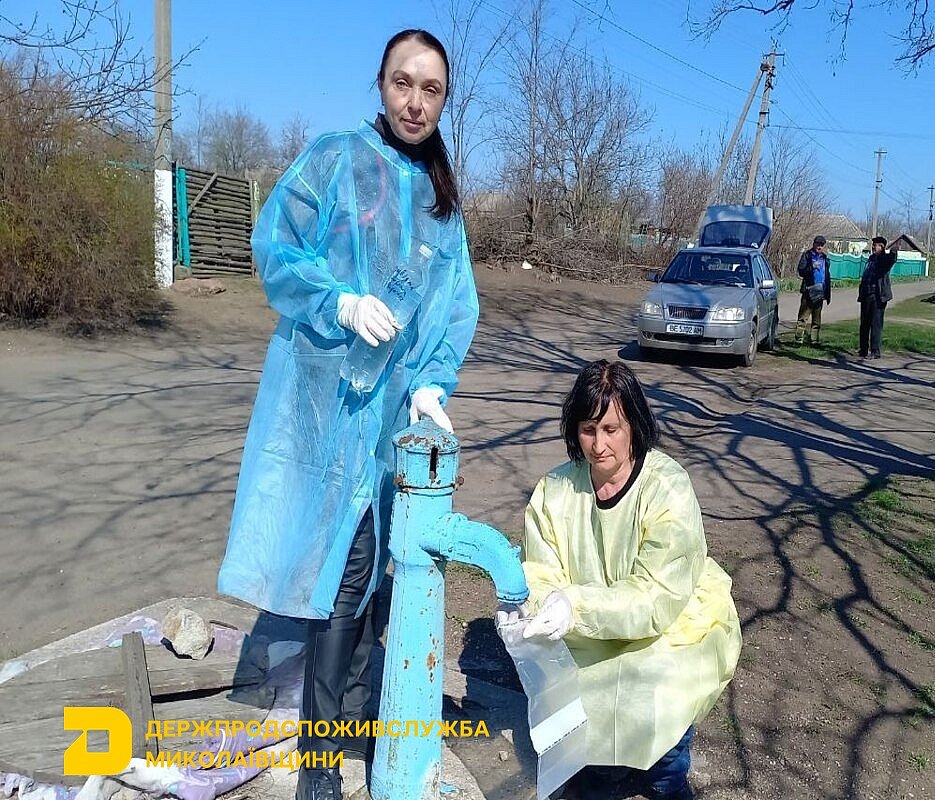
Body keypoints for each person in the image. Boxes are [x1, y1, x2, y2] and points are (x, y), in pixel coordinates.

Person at [215, 29, 478, 800]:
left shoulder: (442, 203)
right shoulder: (333, 158)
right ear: (380, 83)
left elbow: (455, 307)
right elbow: (276, 248)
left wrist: (432, 384)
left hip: (393, 426)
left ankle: (352, 726)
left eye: (430, 90)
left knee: (376, 582)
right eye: (403, 83)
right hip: (327, 411)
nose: (415, 101)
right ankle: (321, 765)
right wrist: (339, 301)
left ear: (444, 101)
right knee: (340, 580)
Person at [510, 360, 742, 800]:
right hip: (586, 629)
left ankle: (664, 772)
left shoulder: (666, 487)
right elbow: (539, 571)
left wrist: (574, 605)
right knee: (593, 753)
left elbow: (656, 595)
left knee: (660, 734)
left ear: (634, 425)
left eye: (611, 429)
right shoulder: (557, 490)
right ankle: (601, 774)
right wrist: (544, 606)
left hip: (668, 627)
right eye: (588, 429)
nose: (599, 446)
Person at [857, 235, 898, 359]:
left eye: (875, 245)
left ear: (882, 247)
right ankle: (863, 349)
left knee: (876, 324)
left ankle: (875, 351)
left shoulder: (884, 259)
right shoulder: (871, 258)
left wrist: (893, 251)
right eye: (873, 245)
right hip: (866, 295)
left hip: (878, 297)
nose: (873, 247)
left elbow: (892, 259)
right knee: (864, 324)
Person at [795, 234, 831, 344]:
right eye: (818, 244)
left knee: (817, 319)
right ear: (814, 244)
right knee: (803, 317)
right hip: (808, 291)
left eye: (822, 245)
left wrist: (827, 294)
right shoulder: (807, 255)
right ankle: (798, 339)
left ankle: (814, 340)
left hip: (820, 292)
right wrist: (811, 267)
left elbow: (827, 277)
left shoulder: (825, 258)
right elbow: (801, 271)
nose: (819, 247)